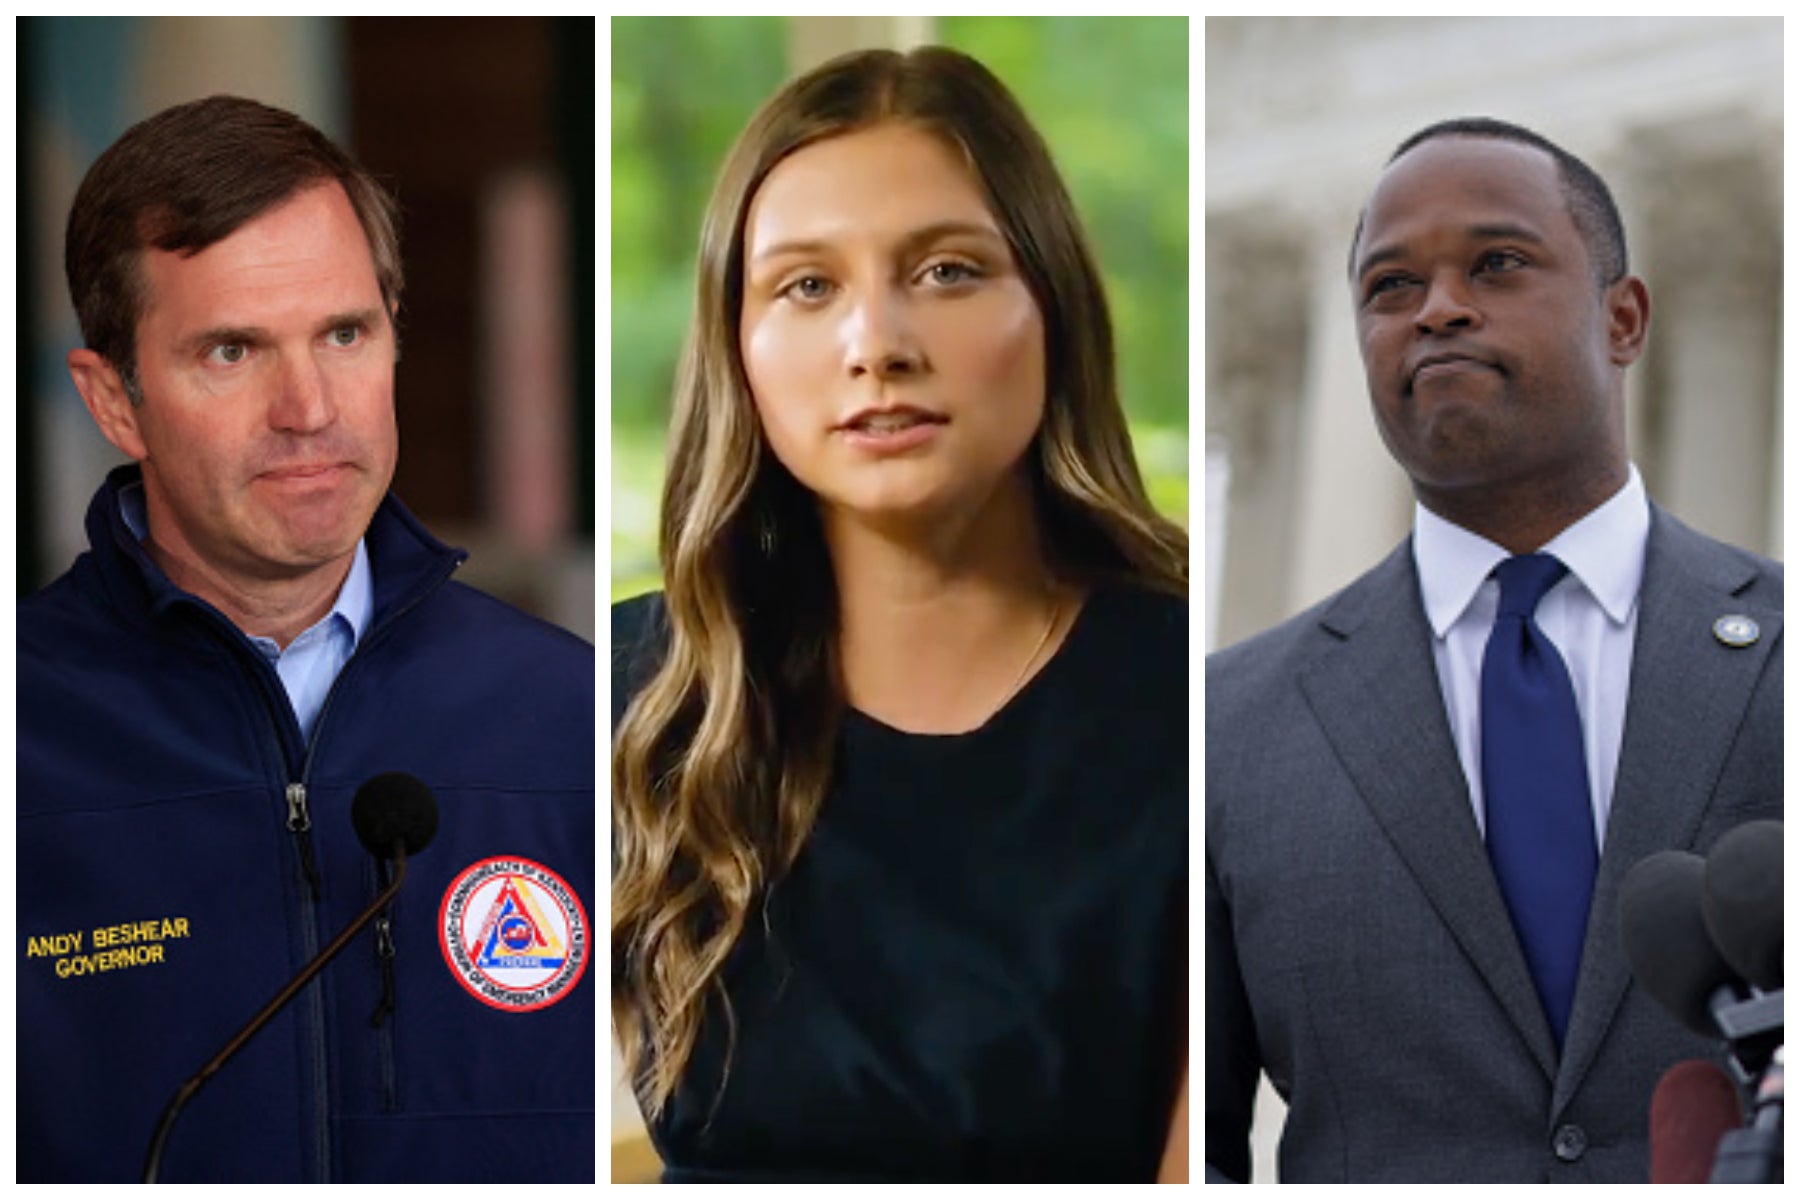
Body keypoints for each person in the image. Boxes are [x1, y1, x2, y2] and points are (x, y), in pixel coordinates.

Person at [610, 46, 1189, 1183]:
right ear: (738, 346)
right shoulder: (629, 698)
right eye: (807, 286)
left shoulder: (1200, 707)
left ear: (1055, 307)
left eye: (948, 271)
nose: (877, 346)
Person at [17, 95, 595, 1183]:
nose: (308, 407)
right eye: (232, 351)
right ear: (116, 403)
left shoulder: (572, 712)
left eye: (344, 333)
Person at [1205, 118, 1782, 1182]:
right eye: (1388, 287)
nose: (1437, 308)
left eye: (1498, 264)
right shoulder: (1226, 727)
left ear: (1624, 317)